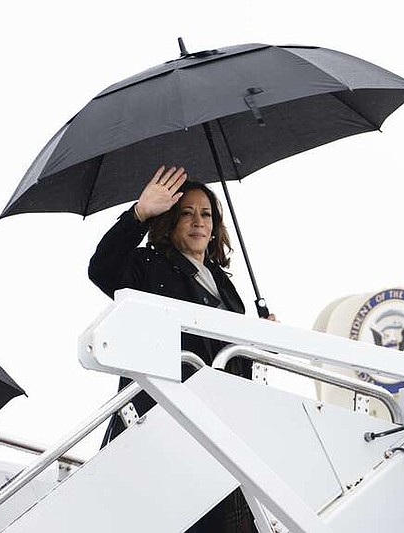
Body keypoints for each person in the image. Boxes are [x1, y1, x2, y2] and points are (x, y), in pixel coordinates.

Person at [89, 165, 269, 533]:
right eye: (186, 212)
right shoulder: (147, 265)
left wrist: (260, 338)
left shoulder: (227, 288)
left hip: (219, 428)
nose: (198, 221)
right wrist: (139, 213)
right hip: (165, 422)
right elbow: (101, 268)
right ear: (170, 221)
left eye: (206, 214)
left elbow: (235, 364)